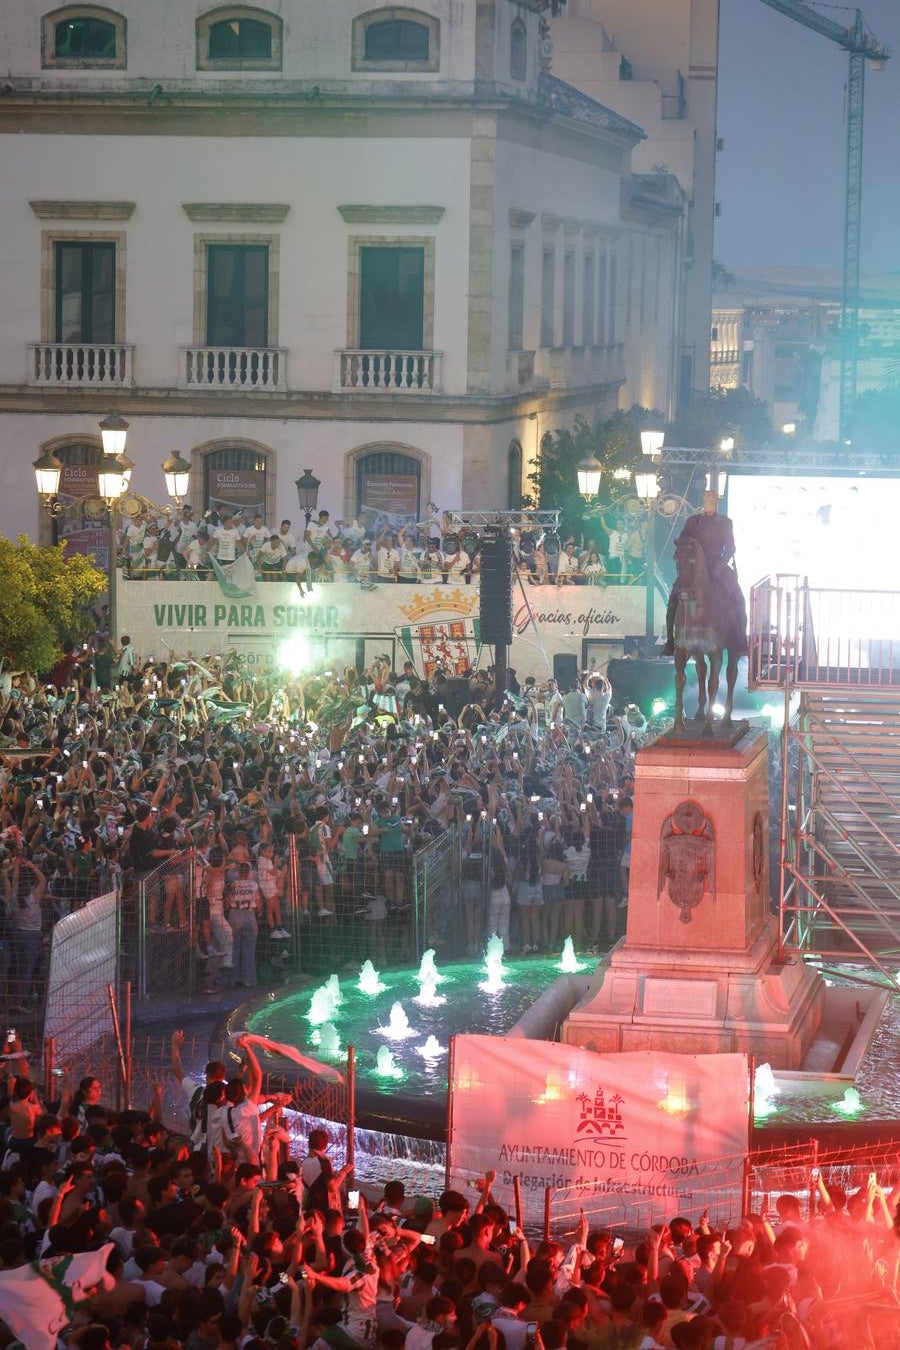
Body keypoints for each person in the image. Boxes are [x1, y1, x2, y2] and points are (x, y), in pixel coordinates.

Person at [663, 491, 748, 656]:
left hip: (718, 568)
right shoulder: (693, 522)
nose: (708, 502)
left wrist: (719, 567)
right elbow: (682, 541)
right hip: (694, 568)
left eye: (711, 499)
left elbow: (730, 548)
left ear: (716, 501)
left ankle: (740, 640)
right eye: (706, 499)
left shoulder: (725, 523)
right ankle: (670, 641)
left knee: (739, 599)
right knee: (674, 598)